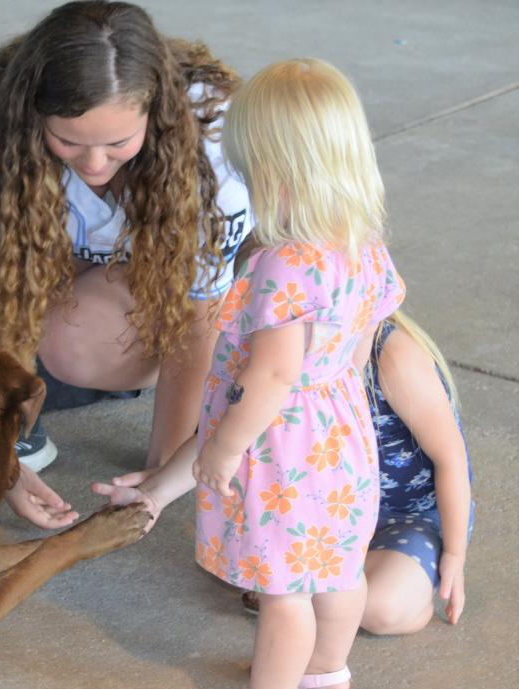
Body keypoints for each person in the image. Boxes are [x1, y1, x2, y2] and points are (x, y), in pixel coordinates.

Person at [94, 59, 406, 689]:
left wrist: (226, 450)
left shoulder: (285, 267)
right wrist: (161, 486)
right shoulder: (364, 246)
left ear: (275, 172)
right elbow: (357, 347)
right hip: (342, 440)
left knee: (283, 594)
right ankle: (327, 671)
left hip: (281, 447)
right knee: (337, 573)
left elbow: (270, 379)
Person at [0, 1, 252, 528]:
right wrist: (2, 452)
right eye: (68, 140)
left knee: (72, 344)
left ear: (155, 111)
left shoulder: (213, 139)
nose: (94, 164)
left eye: (118, 143)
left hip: (162, 280)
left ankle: (125, 358)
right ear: (33, 112)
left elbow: (199, 318)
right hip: (68, 253)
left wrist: (164, 471)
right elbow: (10, 292)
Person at [240, 311, 474, 635]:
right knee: (296, 592)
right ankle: (328, 581)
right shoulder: (294, 348)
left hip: (411, 515)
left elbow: (451, 457)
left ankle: (382, 588)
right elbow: (244, 433)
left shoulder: (394, 355)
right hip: (327, 507)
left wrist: (454, 554)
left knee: (383, 608)